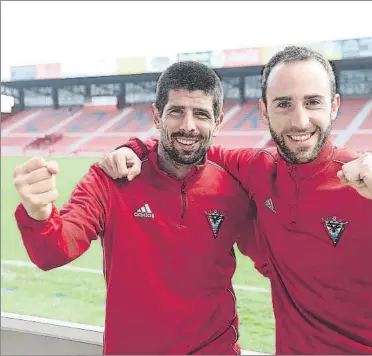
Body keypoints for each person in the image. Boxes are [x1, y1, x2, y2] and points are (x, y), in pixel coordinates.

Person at [101, 46, 372, 355]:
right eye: (284, 104)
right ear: (264, 110)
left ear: (335, 106)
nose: (299, 121)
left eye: (312, 102)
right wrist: (135, 147)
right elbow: (187, 144)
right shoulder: (257, 169)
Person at [13, 61, 269, 355]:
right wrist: (39, 212)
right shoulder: (110, 179)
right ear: (157, 116)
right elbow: (53, 251)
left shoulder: (232, 187)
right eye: (176, 112)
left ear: (218, 121)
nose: (188, 125)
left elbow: (275, 261)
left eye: (201, 114)